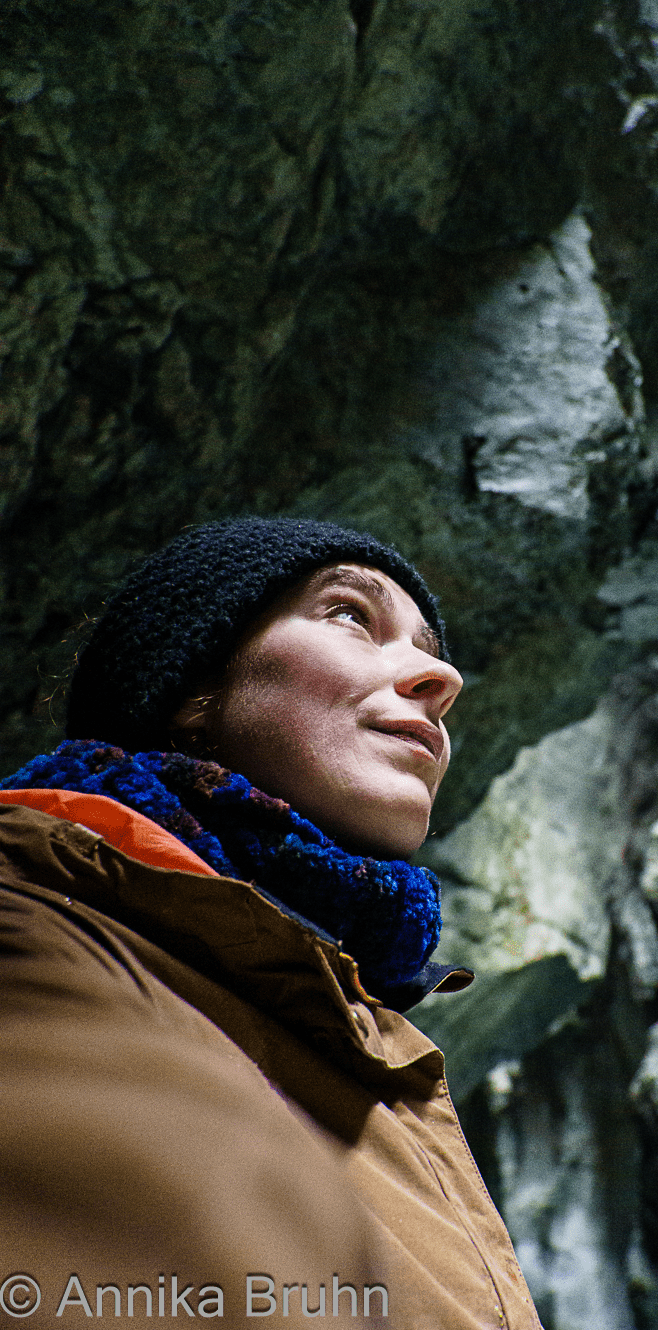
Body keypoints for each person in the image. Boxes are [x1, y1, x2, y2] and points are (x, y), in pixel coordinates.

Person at [0, 517, 541, 1329]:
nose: (441, 675)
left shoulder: (364, 1020)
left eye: (431, 647)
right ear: (191, 692)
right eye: (351, 615)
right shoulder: (32, 906)